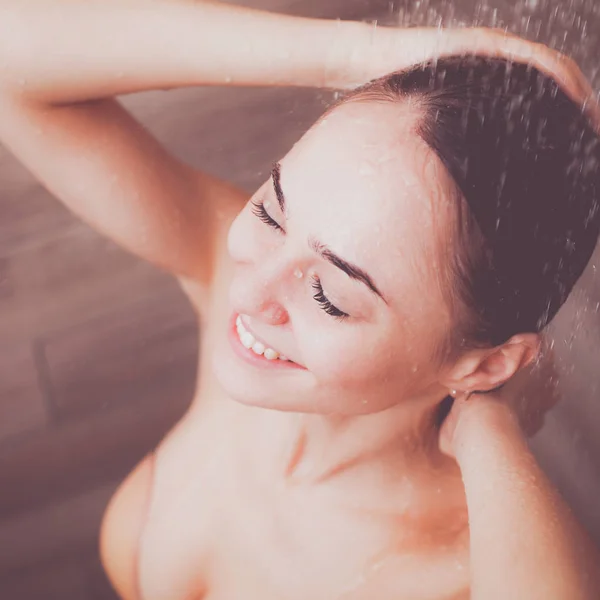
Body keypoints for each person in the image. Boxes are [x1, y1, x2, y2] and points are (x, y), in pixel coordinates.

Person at [0, 1, 599, 599]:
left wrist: (489, 427)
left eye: (330, 295)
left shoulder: (452, 573)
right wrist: (365, 55)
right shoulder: (226, 275)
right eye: (271, 209)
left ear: (486, 362)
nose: (248, 290)